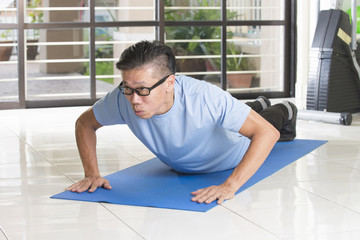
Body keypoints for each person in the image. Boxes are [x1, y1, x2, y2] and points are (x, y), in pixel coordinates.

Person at [66, 40, 297, 205]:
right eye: (128, 88)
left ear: (169, 83)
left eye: (143, 89)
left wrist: (230, 185)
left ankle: (284, 108)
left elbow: (267, 134)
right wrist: (91, 173)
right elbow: (84, 124)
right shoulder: (122, 97)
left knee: (266, 121)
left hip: (234, 149)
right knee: (238, 110)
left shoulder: (205, 97)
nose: (134, 100)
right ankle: (257, 104)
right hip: (194, 149)